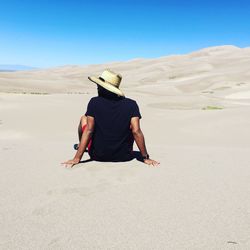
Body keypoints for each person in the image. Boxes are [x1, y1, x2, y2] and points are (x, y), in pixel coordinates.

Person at [62, 69, 160, 168]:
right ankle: (82, 145)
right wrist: (145, 157)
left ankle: (81, 145)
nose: (97, 88)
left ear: (103, 88)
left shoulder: (94, 102)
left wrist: (77, 158)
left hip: (97, 155)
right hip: (125, 156)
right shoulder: (131, 104)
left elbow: (89, 130)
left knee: (84, 118)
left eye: (99, 86)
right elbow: (136, 131)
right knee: (129, 124)